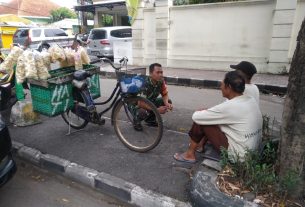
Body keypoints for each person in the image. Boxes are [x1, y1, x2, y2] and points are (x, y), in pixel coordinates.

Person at [174, 71, 262, 163]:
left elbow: (196, 117)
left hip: (239, 157)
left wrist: (204, 112)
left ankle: (189, 154)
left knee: (201, 119)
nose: (220, 87)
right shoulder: (249, 100)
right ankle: (199, 145)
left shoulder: (231, 106)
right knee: (208, 117)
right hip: (252, 151)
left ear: (229, 87)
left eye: (222, 84)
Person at [134, 63, 173, 131]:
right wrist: (157, 110)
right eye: (158, 72)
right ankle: (136, 121)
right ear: (151, 74)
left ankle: (150, 120)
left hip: (150, 102)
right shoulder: (144, 83)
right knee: (142, 112)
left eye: (161, 72)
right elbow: (140, 103)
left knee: (168, 101)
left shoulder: (161, 81)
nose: (160, 74)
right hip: (137, 105)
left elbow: (164, 94)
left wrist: (167, 103)